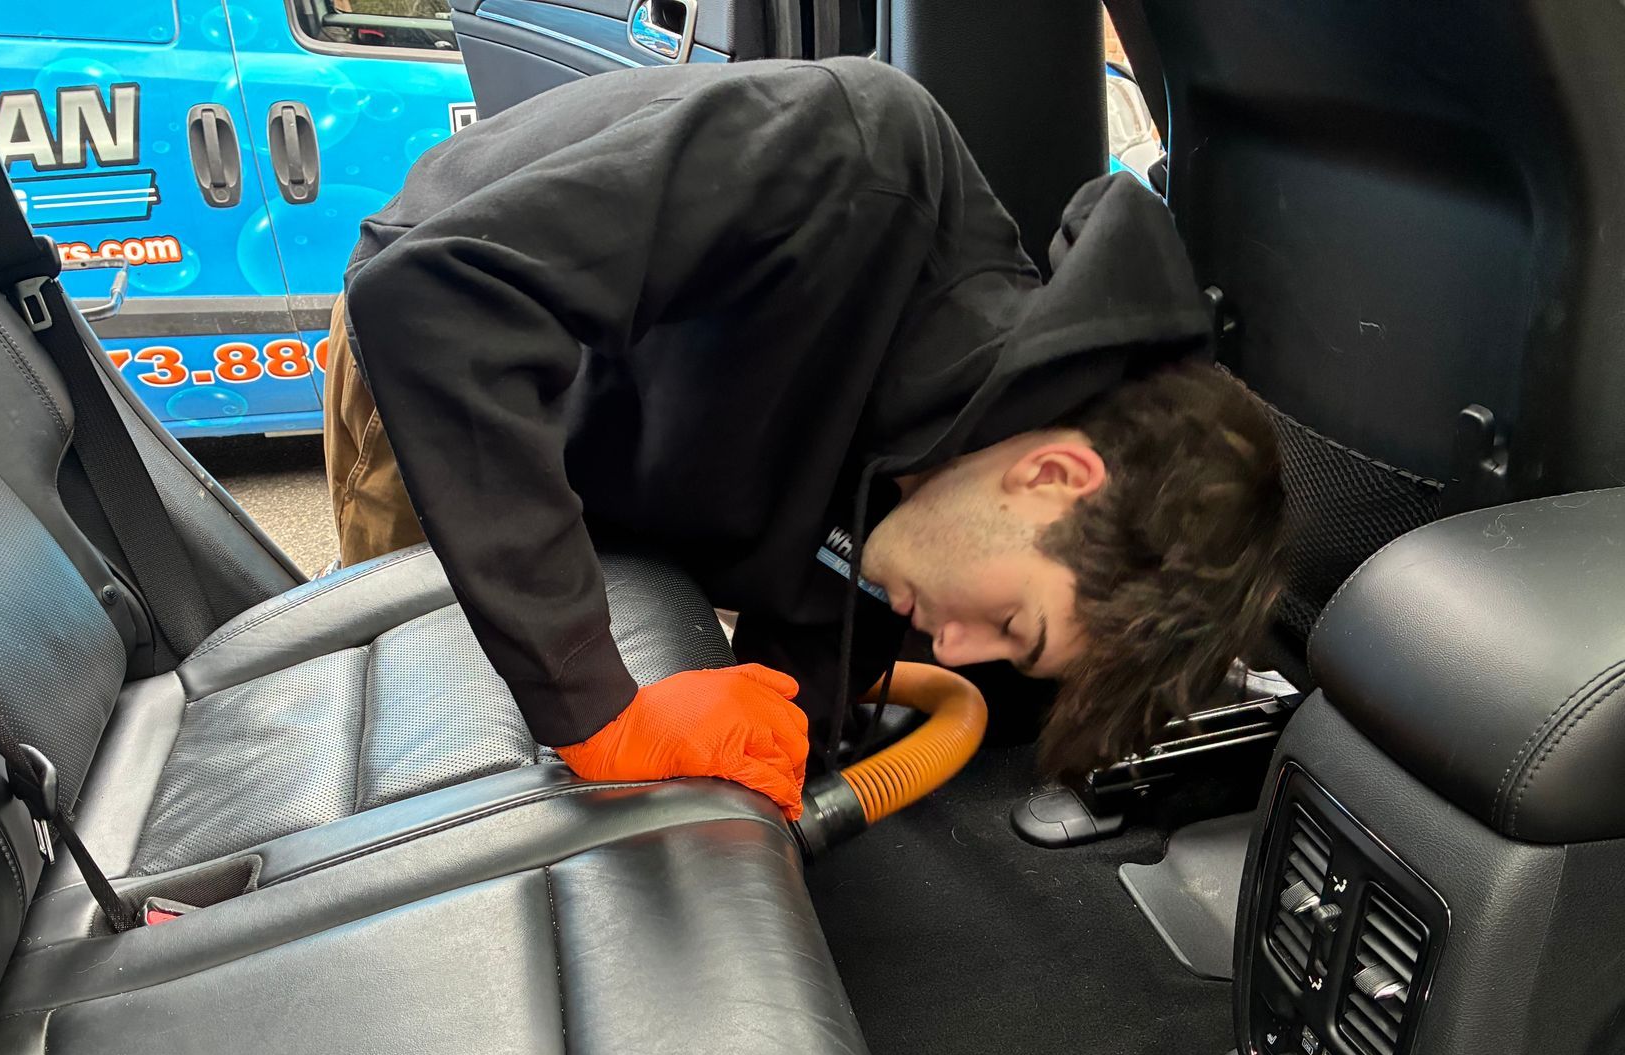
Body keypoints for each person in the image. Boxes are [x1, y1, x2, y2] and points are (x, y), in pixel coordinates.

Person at [323, 58, 1284, 822]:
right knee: (436, 740)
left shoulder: (941, 488)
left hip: (632, 467)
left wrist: (768, 797)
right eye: (1011, 624)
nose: (955, 646)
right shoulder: (852, 162)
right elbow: (435, 302)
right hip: (455, 379)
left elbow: (828, 614)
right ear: (1053, 475)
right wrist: (594, 707)